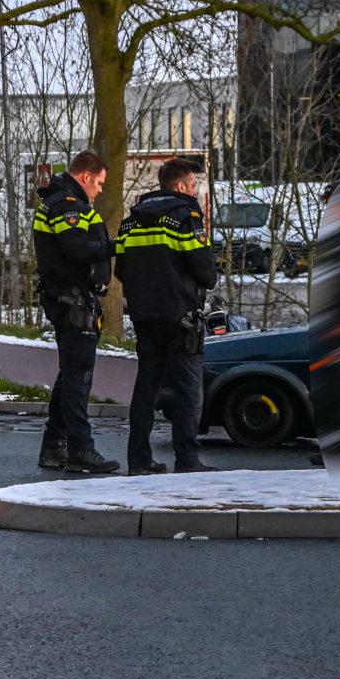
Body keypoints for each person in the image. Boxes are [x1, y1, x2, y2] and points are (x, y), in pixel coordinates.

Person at [116, 156, 218, 473]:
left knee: (146, 387)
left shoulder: (130, 221)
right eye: (193, 184)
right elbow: (206, 273)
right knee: (189, 389)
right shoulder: (186, 217)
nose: (196, 190)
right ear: (180, 187)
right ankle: (187, 459)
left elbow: (120, 270)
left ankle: (139, 459)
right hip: (181, 317)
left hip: (144, 316)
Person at [32, 150, 118, 474]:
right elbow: (77, 249)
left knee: (69, 374)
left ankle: (54, 446)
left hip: (70, 299)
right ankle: (82, 448)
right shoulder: (68, 205)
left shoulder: (61, 201)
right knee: (78, 377)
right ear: (86, 177)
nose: (100, 189)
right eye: (99, 183)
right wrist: (117, 246)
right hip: (73, 301)